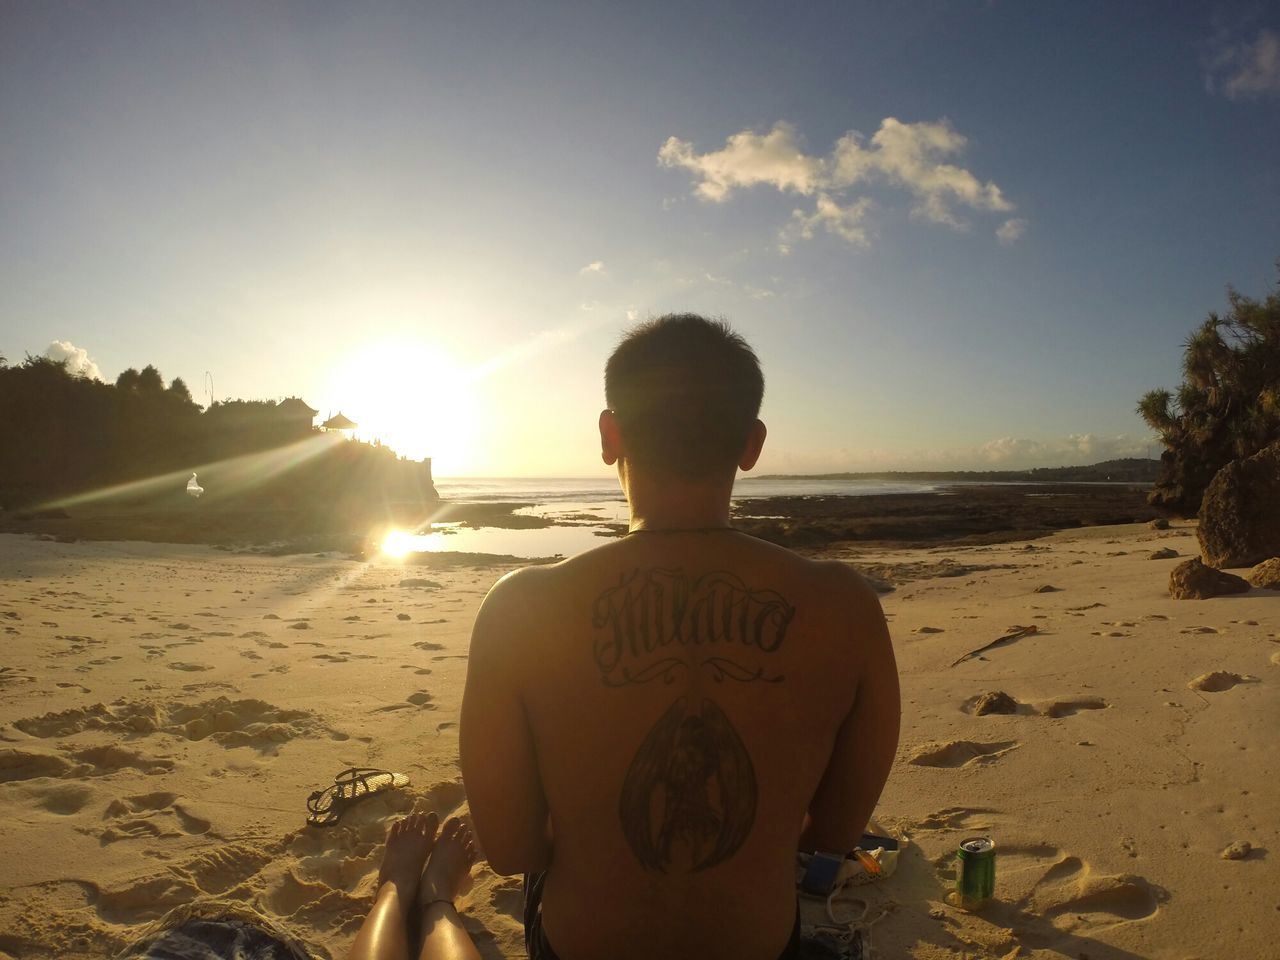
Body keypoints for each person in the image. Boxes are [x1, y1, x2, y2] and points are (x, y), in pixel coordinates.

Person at [455, 313, 900, 959]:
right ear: (751, 444)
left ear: (610, 435)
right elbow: (833, 833)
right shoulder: (846, 607)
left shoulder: (521, 609)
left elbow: (511, 850)